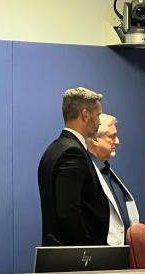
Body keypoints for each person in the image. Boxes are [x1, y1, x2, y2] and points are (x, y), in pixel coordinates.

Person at [37, 87, 110, 246]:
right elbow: (68, 213)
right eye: (98, 115)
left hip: (58, 256)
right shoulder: (73, 153)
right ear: (85, 115)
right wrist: (90, 251)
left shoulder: (53, 150)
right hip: (75, 260)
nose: (99, 122)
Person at [88, 113, 140, 246]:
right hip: (101, 257)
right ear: (94, 139)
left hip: (122, 256)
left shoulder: (106, 171)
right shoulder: (87, 174)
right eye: (111, 136)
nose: (117, 141)